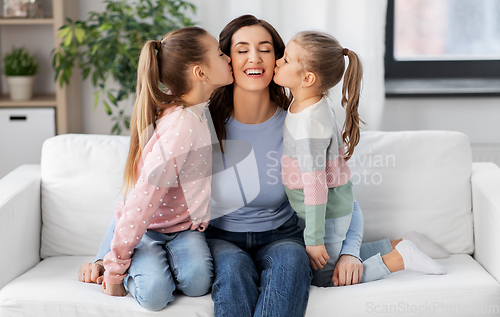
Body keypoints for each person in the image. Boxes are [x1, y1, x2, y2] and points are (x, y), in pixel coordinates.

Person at [273, 30, 447, 287]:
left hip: (328, 215)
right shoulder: (308, 103)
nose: (277, 61)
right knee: (337, 265)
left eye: (286, 59)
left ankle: (399, 259)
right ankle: (397, 244)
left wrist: (314, 238)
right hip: (338, 206)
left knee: (326, 279)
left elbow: (316, 185)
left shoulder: (309, 124)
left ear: (308, 78)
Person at [78, 26, 233, 311]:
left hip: (184, 230)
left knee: (198, 282)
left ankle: (151, 257)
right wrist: (114, 269)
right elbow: (142, 199)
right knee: (155, 296)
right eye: (222, 54)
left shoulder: (197, 110)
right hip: (149, 229)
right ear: (201, 73)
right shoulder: (182, 125)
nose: (230, 59)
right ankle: (129, 260)